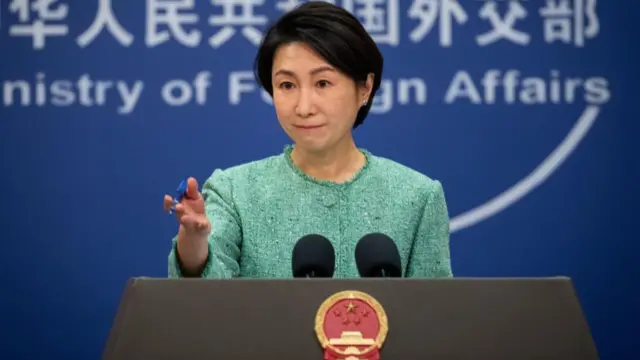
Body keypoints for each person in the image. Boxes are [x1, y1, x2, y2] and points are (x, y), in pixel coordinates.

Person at [163, 1, 453, 279]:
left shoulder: (417, 197)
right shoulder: (235, 192)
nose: (303, 107)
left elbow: (435, 314)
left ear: (365, 87)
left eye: (322, 83)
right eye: (287, 85)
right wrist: (194, 242)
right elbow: (204, 296)